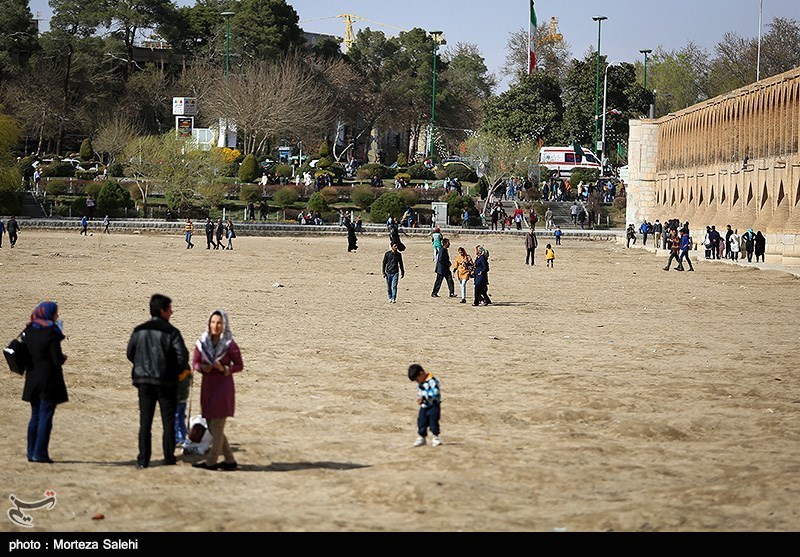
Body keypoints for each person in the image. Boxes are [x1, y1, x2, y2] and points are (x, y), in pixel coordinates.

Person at [126, 294, 190, 469]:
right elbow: (183, 357)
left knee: (145, 422)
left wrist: (141, 366)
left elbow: (131, 353)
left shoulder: (139, 330)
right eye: (170, 308)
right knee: (167, 421)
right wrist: (173, 372)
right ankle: (168, 457)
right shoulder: (172, 332)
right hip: (166, 382)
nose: (172, 311)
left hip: (144, 381)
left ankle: (143, 460)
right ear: (163, 311)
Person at [191, 309, 244, 471]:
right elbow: (195, 363)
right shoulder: (202, 343)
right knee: (210, 424)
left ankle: (211, 462)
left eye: (219, 323)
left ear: (224, 325)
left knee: (218, 425)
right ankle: (229, 460)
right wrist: (203, 368)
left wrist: (224, 368)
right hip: (207, 387)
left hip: (223, 387)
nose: (215, 326)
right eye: (213, 322)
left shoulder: (229, 345)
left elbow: (239, 366)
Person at [21, 301, 68, 463]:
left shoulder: (28, 330)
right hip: (48, 379)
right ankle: (40, 453)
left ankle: (30, 452)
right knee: (45, 416)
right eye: (56, 313)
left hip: (32, 378)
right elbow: (57, 359)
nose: (57, 316)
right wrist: (63, 358)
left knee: (34, 416)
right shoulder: (51, 332)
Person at [408, 363, 442, 447]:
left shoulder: (432, 381)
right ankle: (422, 437)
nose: (417, 381)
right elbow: (420, 391)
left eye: (417, 379)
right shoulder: (421, 382)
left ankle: (436, 437)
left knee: (433, 421)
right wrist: (420, 398)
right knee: (421, 421)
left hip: (433, 405)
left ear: (421, 373)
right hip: (424, 406)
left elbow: (435, 392)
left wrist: (424, 397)